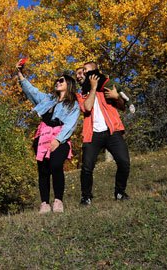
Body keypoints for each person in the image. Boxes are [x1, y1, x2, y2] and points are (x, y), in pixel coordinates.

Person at [17, 60, 80, 213]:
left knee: (56, 165)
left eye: (61, 80)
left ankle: (58, 200)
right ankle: (44, 203)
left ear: (69, 84)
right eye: (57, 80)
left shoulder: (73, 104)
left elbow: (71, 124)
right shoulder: (48, 99)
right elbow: (31, 91)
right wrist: (19, 74)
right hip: (42, 135)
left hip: (60, 137)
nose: (57, 82)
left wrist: (58, 140)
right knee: (43, 170)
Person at [75, 62, 131, 205]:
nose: (79, 76)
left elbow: (122, 106)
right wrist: (93, 88)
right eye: (77, 75)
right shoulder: (81, 95)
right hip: (92, 134)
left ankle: (119, 192)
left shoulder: (105, 87)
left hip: (113, 131)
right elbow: (87, 108)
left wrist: (116, 96)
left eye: (82, 72)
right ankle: (86, 197)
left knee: (124, 162)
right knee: (87, 167)